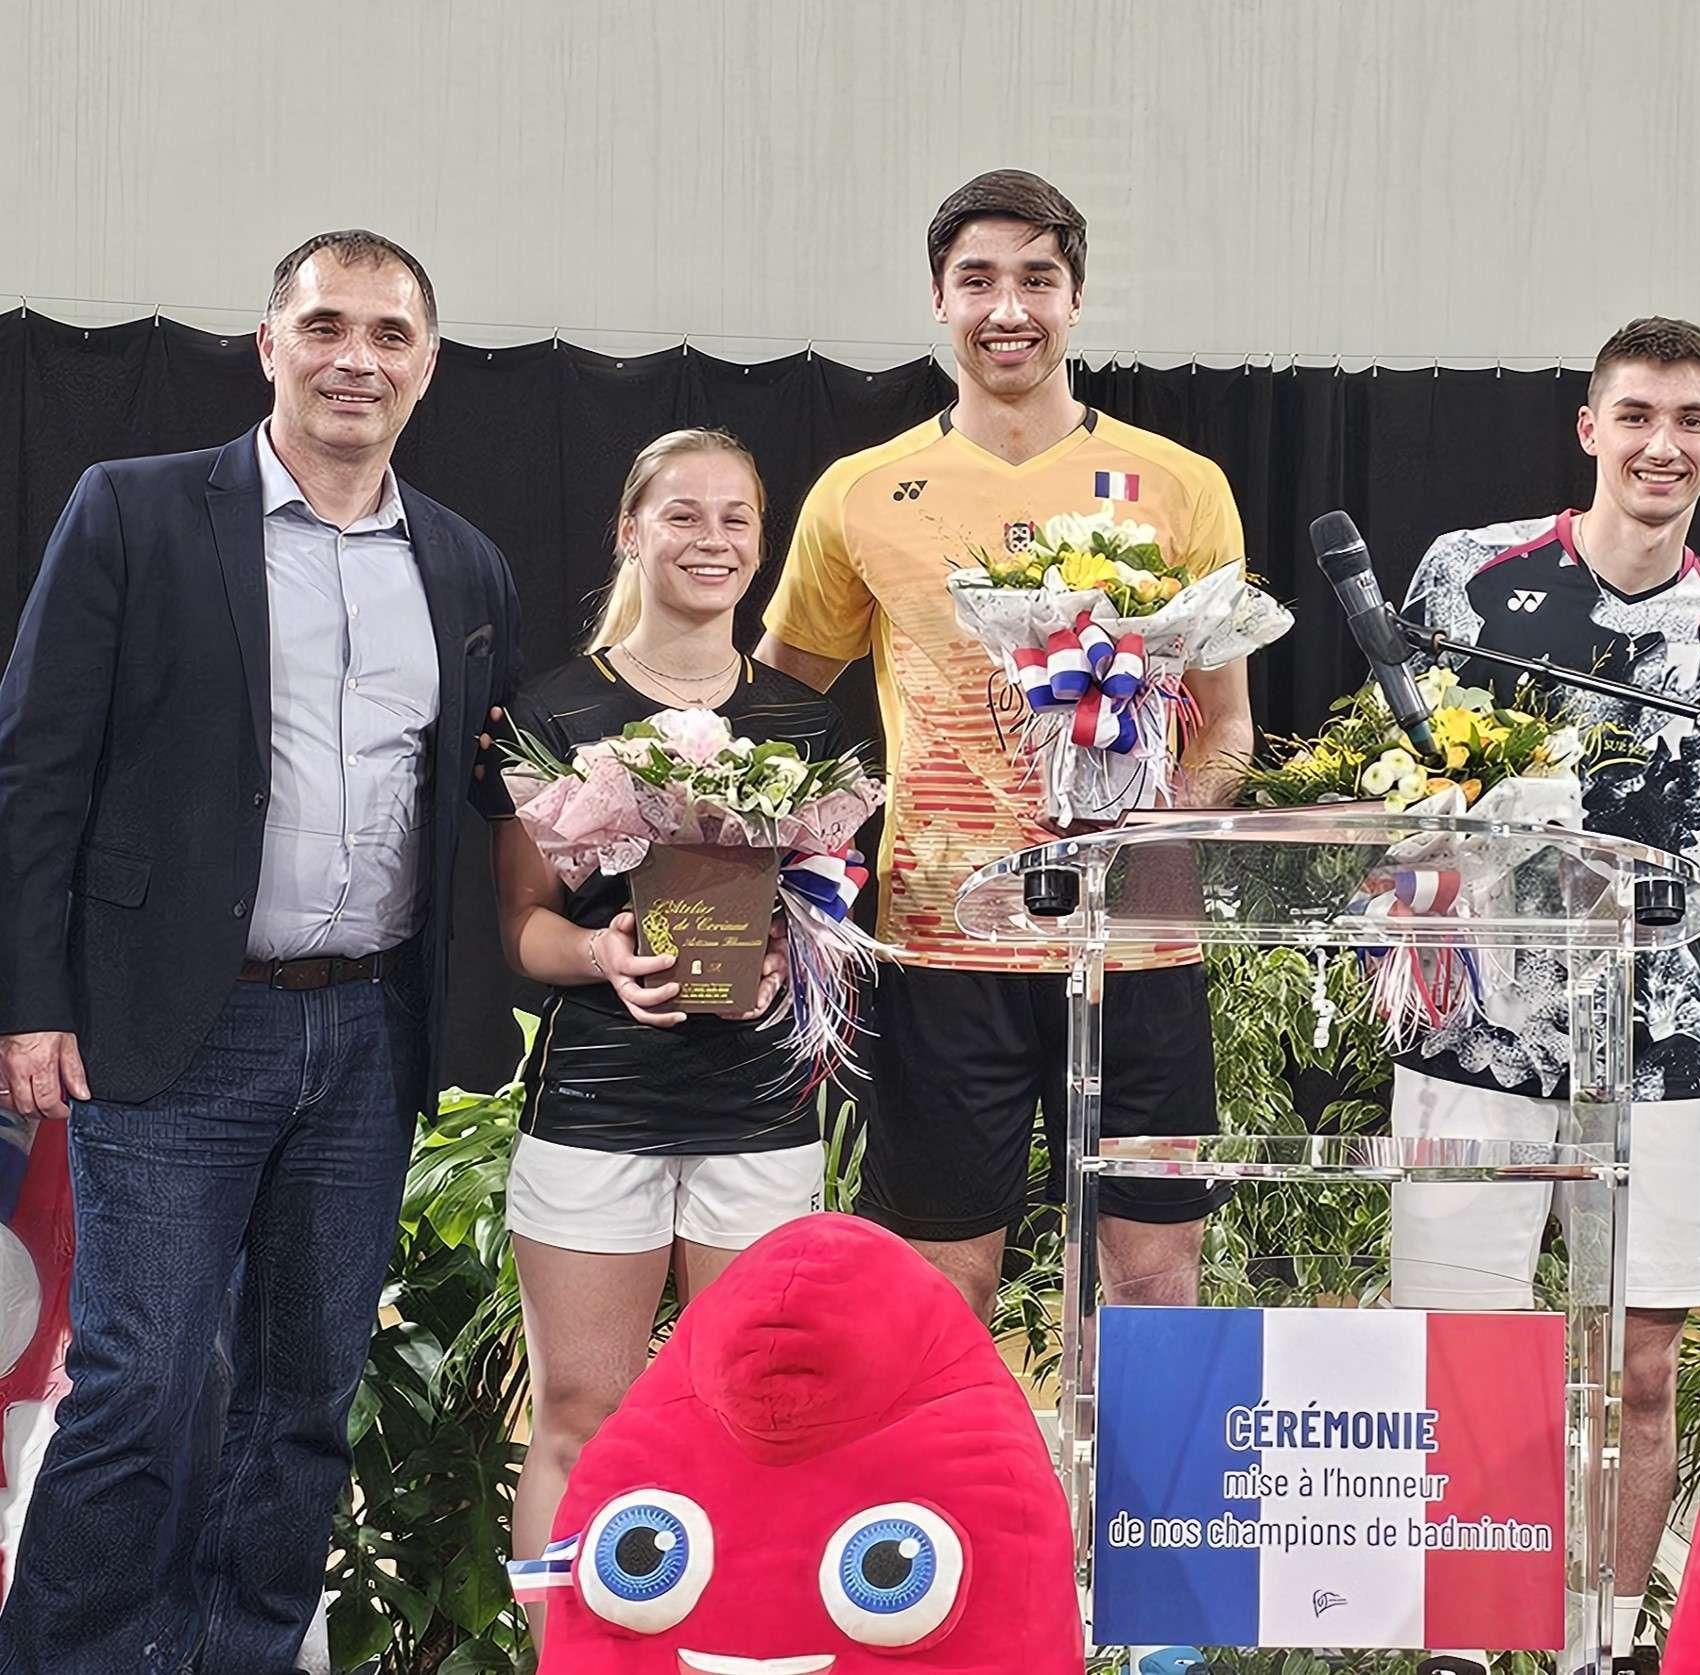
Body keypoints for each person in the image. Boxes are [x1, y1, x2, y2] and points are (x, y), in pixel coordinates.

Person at [0, 230, 520, 1672]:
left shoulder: (463, 563)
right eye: (328, 324)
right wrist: (26, 995)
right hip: (172, 1025)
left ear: (428, 364)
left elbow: (494, 788)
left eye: (392, 334)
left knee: (303, 1394)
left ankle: (234, 1653)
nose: (359, 357)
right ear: (270, 344)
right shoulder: (136, 511)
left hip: (364, 1038)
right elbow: (37, 768)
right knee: (141, 1381)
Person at [1386, 317, 1700, 1675]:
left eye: (1691, 418)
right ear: (1590, 428)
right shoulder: (1465, 574)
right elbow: (1382, 775)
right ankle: (1462, 1633)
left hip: (1656, 1043)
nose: (1661, 443)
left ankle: (1606, 1639)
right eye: (1636, 415)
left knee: (1638, 1365)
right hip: (1471, 1036)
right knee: (1461, 1356)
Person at [754, 170, 1252, 1325]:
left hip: (1135, 951)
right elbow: (777, 707)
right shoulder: (861, 493)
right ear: (939, 299)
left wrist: (1166, 820)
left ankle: (1138, 1517)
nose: (1008, 307)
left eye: (1037, 278)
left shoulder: (1182, 486)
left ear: (1075, 299)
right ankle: (956, 1514)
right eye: (978, 279)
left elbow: (1225, 730)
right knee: (941, 1286)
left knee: (1148, 1284)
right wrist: (779, 849)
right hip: (941, 947)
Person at [491, 428, 842, 1601]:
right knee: (579, 1415)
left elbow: (831, 916)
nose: (712, 539)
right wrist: (601, 950)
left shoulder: (809, 725)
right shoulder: (555, 711)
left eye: (736, 517)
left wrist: (792, 965)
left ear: (761, 543)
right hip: (597, 1107)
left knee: (755, 1416)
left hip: (758, 1113)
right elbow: (524, 927)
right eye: (682, 514)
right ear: (631, 531)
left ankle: (743, 1636)